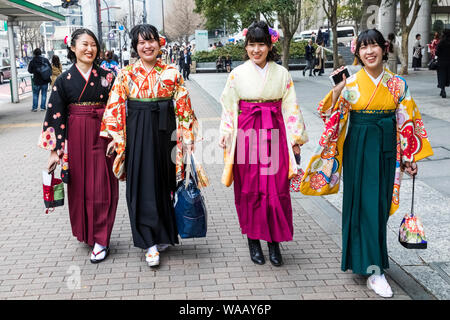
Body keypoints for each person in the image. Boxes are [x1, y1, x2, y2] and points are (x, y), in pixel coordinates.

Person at [300, 29, 433, 298]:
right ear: (357, 52)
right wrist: (337, 88)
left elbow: (407, 121)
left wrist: (409, 158)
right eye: (363, 47)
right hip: (358, 146)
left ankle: (366, 259)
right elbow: (327, 114)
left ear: (384, 49)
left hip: (386, 147)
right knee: (362, 205)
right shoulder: (350, 83)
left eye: (374, 46)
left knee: (379, 206)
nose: (369, 52)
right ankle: (374, 270)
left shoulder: (397, 84)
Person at [100, 24, 199, 268]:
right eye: (142, 42)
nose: (147, 46)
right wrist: (116, 138)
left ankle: (163, 234)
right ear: (135, 47)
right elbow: (115, 106)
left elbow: (184, 106)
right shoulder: (125, 75)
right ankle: (148, 243)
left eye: (151, 40)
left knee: (165, 183)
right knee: (142, 185)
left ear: (159, 43)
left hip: (166, 132)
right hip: (137, 132)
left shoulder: (172, 72)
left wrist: (186, 137)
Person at [219, 21, 308, 267]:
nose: (256, 50)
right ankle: (253, 239)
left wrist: (296, 140)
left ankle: (274, 242)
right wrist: (227, 133)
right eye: (252, 45)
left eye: (261, 45)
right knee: (249, 188)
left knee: (275, 188)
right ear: (245, 47)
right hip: (247, 134)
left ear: (270, 46)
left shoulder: (282, 74)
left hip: (275, 133)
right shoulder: (237, 74)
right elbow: (229, 107)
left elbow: (291, 107)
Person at [38, 28, 119, 264]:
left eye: (93, 44)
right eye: (84, 44)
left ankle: (101, 239)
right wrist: (55, 151)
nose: (89, 49)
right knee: (79, 187)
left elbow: (117, 110)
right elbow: (55, 114)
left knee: (103, 186)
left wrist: (117, 137)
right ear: (72, 48)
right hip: (75, 135)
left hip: (103, 135)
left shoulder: (108, 76)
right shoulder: (64, 80)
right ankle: (87, 233)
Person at [436, 29, 450, 98]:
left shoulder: (441, 42)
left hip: (441, 62)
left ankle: (443, 90)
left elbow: (437, 53)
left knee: (442, 76)